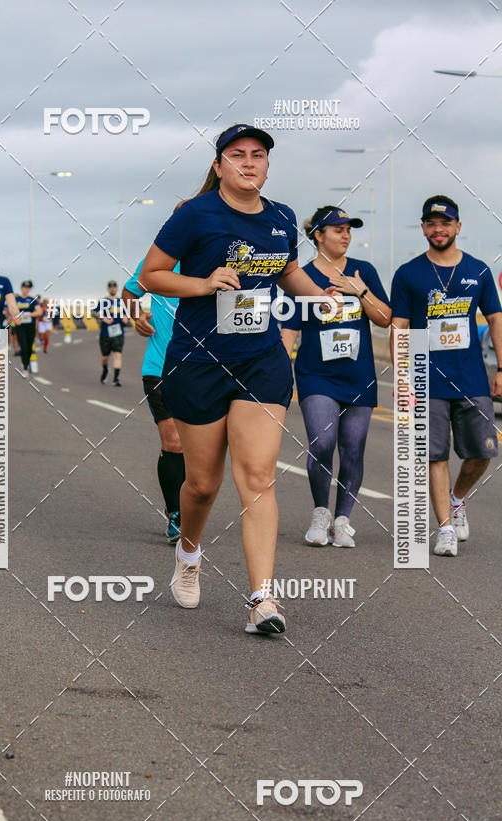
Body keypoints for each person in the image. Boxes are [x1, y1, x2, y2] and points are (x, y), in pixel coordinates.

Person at [140, 123, 335, 635]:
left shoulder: (281, 217)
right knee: (202, 485)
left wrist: (321, 295)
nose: (249, 163)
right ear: (219, 165)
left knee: (258, 476)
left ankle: (261, 600)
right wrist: (203, 284)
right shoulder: (195, 215)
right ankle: (188, 552)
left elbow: (287, 270)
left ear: (268, 165)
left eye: (258, 155)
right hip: (199, 361)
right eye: (237, 155)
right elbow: (151, 274)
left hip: (261, 360)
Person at [390, 195, 502, 557]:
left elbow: (497, 320)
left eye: (445, 223)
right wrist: (403, 376)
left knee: (484, 451)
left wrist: (501, 367)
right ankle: (446, 529)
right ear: (423, 227)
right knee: (433, 456)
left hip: (471, 376)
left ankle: (457, 499)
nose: (438, 230)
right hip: (425, 375)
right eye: (431, 224)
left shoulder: (479, 270)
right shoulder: (409, 273)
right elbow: (400, 326)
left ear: (457, 227)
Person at [281, 206, 391, 547]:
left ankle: (342, 520)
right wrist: (280, 376)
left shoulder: (364, 270)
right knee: (322, 443)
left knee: (353, 449)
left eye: (349, 229)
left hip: (358, 375)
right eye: (337, 229)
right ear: (318, 235)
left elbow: (385, 318)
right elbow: (289, 329)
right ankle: (320, 512)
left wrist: (360, 290)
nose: (345, 235)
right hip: (316, 374)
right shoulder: (301, 276)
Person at [123, 257, 185, 543]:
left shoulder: (219, 256)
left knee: (202, 448)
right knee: (174, 441)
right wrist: (137, 316)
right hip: (160, 367)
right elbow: (129, 293)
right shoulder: (160, 260)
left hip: (208, 368)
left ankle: (192, 504)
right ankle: (176, 514)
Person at [97, 280, 128, 386]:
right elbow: (95, 312)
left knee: (117, 355)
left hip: (118, 334)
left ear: (117, 288)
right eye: (110, 287)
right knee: (105, 357)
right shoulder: (103, 302)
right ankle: (105, 370)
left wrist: (125, 318)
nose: (112, 288)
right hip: (105, 334)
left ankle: (116, 379)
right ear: (108, 289)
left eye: (114, 287)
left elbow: (127, 314)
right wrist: (103, 318)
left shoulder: (122, 302)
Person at [14, 280, 42, 376]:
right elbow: (11, 311)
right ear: (21, 288)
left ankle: (27, 361)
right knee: (23, 346)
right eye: (25, 287)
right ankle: (25, 367)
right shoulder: (16, 300)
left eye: (28, 288)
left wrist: (29, 314)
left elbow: (39, 312)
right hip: (20, 325)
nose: (26, 289)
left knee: (29, 347)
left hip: (30, 325)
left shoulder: (32, 300)